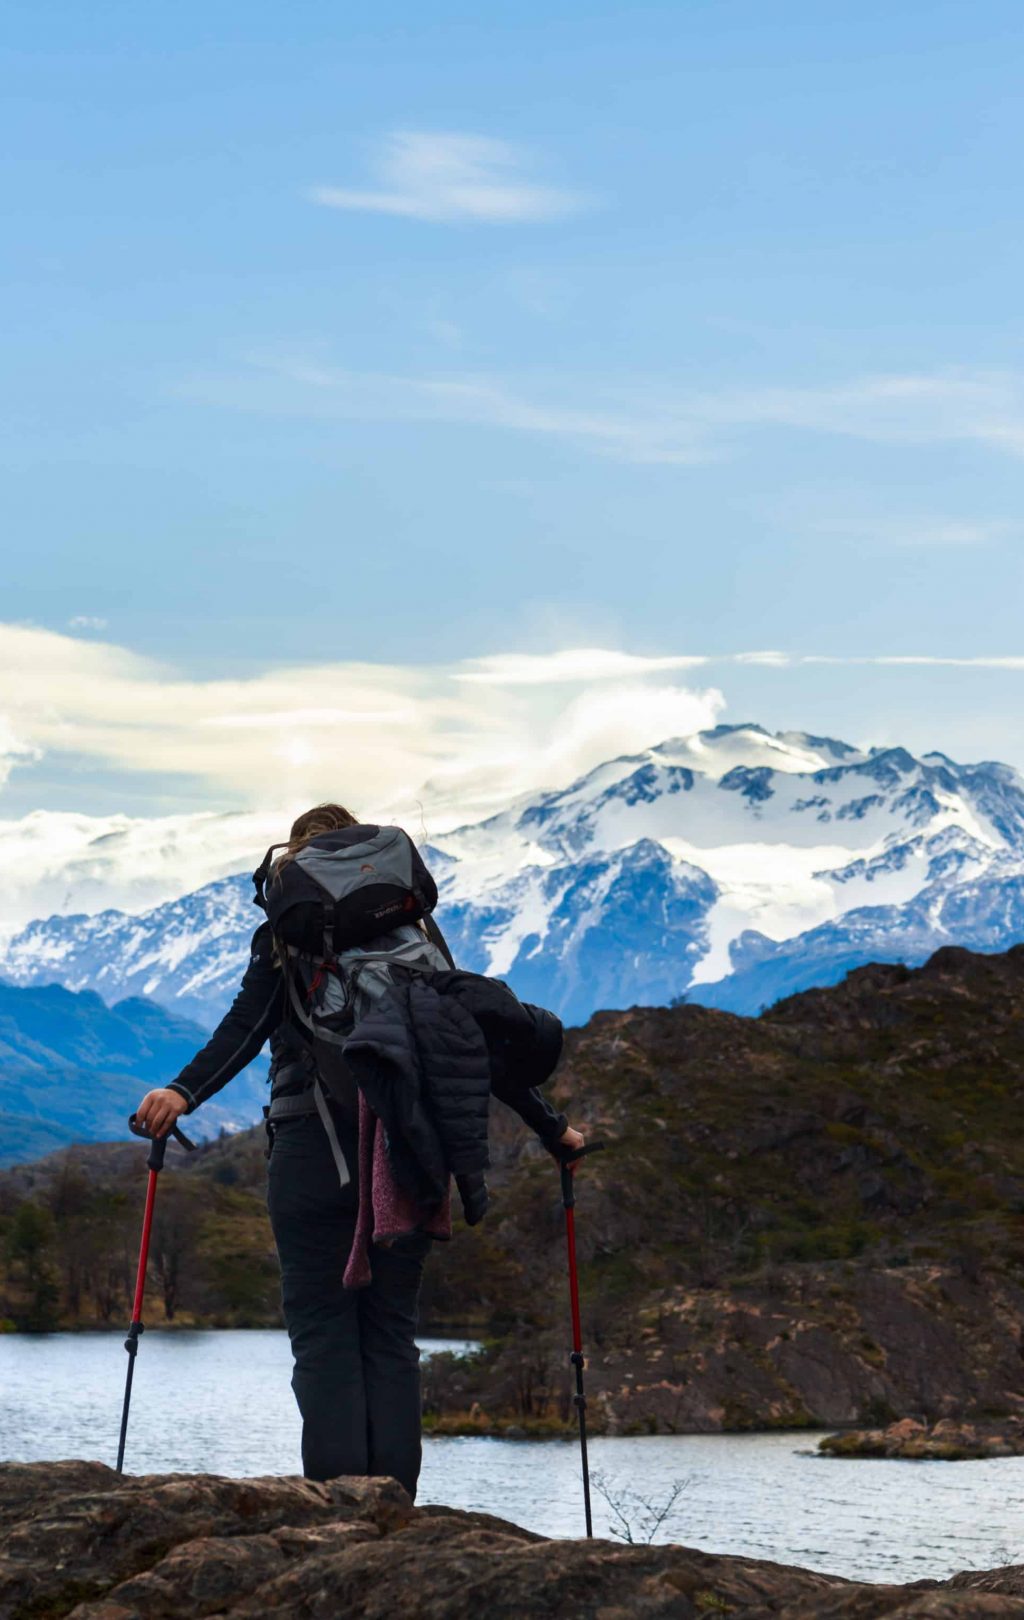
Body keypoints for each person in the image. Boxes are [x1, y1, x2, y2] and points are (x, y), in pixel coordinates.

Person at [136, 802, 583, 1498]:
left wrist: (181, 1092)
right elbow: (471, 1045)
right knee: (390, 1336)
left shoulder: (288, 938)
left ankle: (341, 1518)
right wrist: (552, 1130)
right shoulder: (417, 936)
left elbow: (244, 1028)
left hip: (315, 1156)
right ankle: (394, 1513)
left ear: (298, 869)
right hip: (407, 1155)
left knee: (324, 1337)